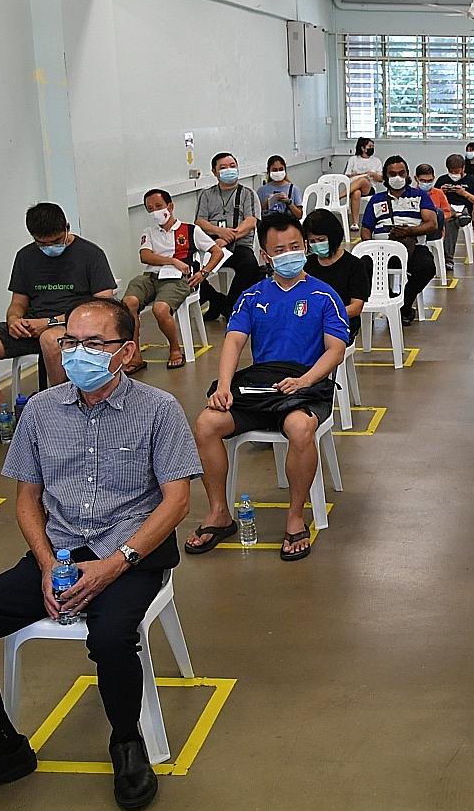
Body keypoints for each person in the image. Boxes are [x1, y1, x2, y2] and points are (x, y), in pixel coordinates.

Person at [0, 298, 199, 811]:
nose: (77, 354)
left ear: (126, 351)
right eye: (70, 342)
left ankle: (125, 740)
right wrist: (49, 565)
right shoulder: (42, 411)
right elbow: (27, 499)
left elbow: (177, 501)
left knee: (113, 636)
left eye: (94, 344)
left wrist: (116, 563)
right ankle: (4, 747)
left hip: (132, 551)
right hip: (61, 552)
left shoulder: (159, 410)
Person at [187, 213, 350, 560]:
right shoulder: (251, 296)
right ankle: (219, 513)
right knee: (206, 424)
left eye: (295, 246)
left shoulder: (324, 295)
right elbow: (233, 343)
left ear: (305, 247)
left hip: (307, 384)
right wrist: (225, 386)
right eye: (280, 249)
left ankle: (295, 516)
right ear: (265, 255)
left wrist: (304, 381)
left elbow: (336, 350)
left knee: (300, 426)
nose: (289, 253)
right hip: (261, 386)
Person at [0, 203, 117, 445]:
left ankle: (65, 410)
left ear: (66, 228)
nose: (49, 248)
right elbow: (17, 302)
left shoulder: (91, 255)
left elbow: (104, 305)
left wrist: (50, 322)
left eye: (55, 241)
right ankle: (3, 416)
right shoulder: (25, 257)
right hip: (31, 325)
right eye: (42, 244)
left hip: (73, 325)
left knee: (50, 339)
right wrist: (14, 319)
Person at [121, 189, 225, 371]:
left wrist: (203, 273)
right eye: (150, 209)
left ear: (170, 206)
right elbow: (145, 256)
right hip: (151, 277)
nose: (155, 212)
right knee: (129, 302)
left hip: (178, 279)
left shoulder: (191, 230)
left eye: (159, 206)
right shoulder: (149, 232)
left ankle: (175, 349)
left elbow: (217, 252)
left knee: (160, 309)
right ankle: (135, 355)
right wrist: (171, 260)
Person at [359, 154, 439, 327]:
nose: (397, 177)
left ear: (408, 174)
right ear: (386, 176)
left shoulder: (419, 196)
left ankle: (404, 303)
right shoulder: (376, 200)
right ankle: (385, 297)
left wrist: (410, 231)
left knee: (427, 267)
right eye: (392, 174)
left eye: (401, 173)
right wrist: (369, 245)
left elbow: (432, 224)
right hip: (380, 249)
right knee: (361, 268)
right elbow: (366, 229)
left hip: (412, 246)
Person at [194, 151, 262, 321]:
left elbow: (250, 222)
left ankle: (230, 305)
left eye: (232, 166)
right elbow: (200, 222)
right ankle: (216, 299)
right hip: (212, 245)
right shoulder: (206, 195)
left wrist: (227, 238)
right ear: (214, 172)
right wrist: (218, 232)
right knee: (191, 266)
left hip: (238, 245)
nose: (228, 170)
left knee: (249, 265)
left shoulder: (247, 193)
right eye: (223, 167)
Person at [304, 207, 370, 344]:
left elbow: (356, 308)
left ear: (333, 236)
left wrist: (325, 316)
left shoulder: (354, 266)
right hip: (309, 323)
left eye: (321, 239)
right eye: (312, 241)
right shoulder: (306, 265)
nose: (317, 245)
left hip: (341, 323)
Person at [432, 154, 474, 271]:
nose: (454, 174)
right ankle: (458, 216)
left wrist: (464, 193)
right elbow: (431, 201)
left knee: (453, 219)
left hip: (464, 207)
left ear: (463, 168)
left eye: (457, 171)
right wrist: (440, 192)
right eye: (451, 171)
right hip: (447, 209)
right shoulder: (442, 180)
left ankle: (448, 259)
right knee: (450, 218)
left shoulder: (472, 180)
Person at [345, 137, 382, 221]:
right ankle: (355, 223)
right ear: (363, 148)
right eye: (370, 146)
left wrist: (372, 174)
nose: (372, 148)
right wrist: (357, 174)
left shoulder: (376, 161)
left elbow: (381, 179)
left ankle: (338, 196)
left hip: (369, 189)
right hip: (354, 187)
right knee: (356, 193)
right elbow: (346, 176)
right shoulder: (353, 159)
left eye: (373, 146)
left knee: (363, 180)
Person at [257, 154, 303, 219]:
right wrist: (267, 203)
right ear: (268, 171)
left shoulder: (294, 189)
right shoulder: (262, 190)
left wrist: (289, 202)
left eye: (281, 169)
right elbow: (258, 215)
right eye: (275, 170)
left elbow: (299, 215)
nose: (278, 172)